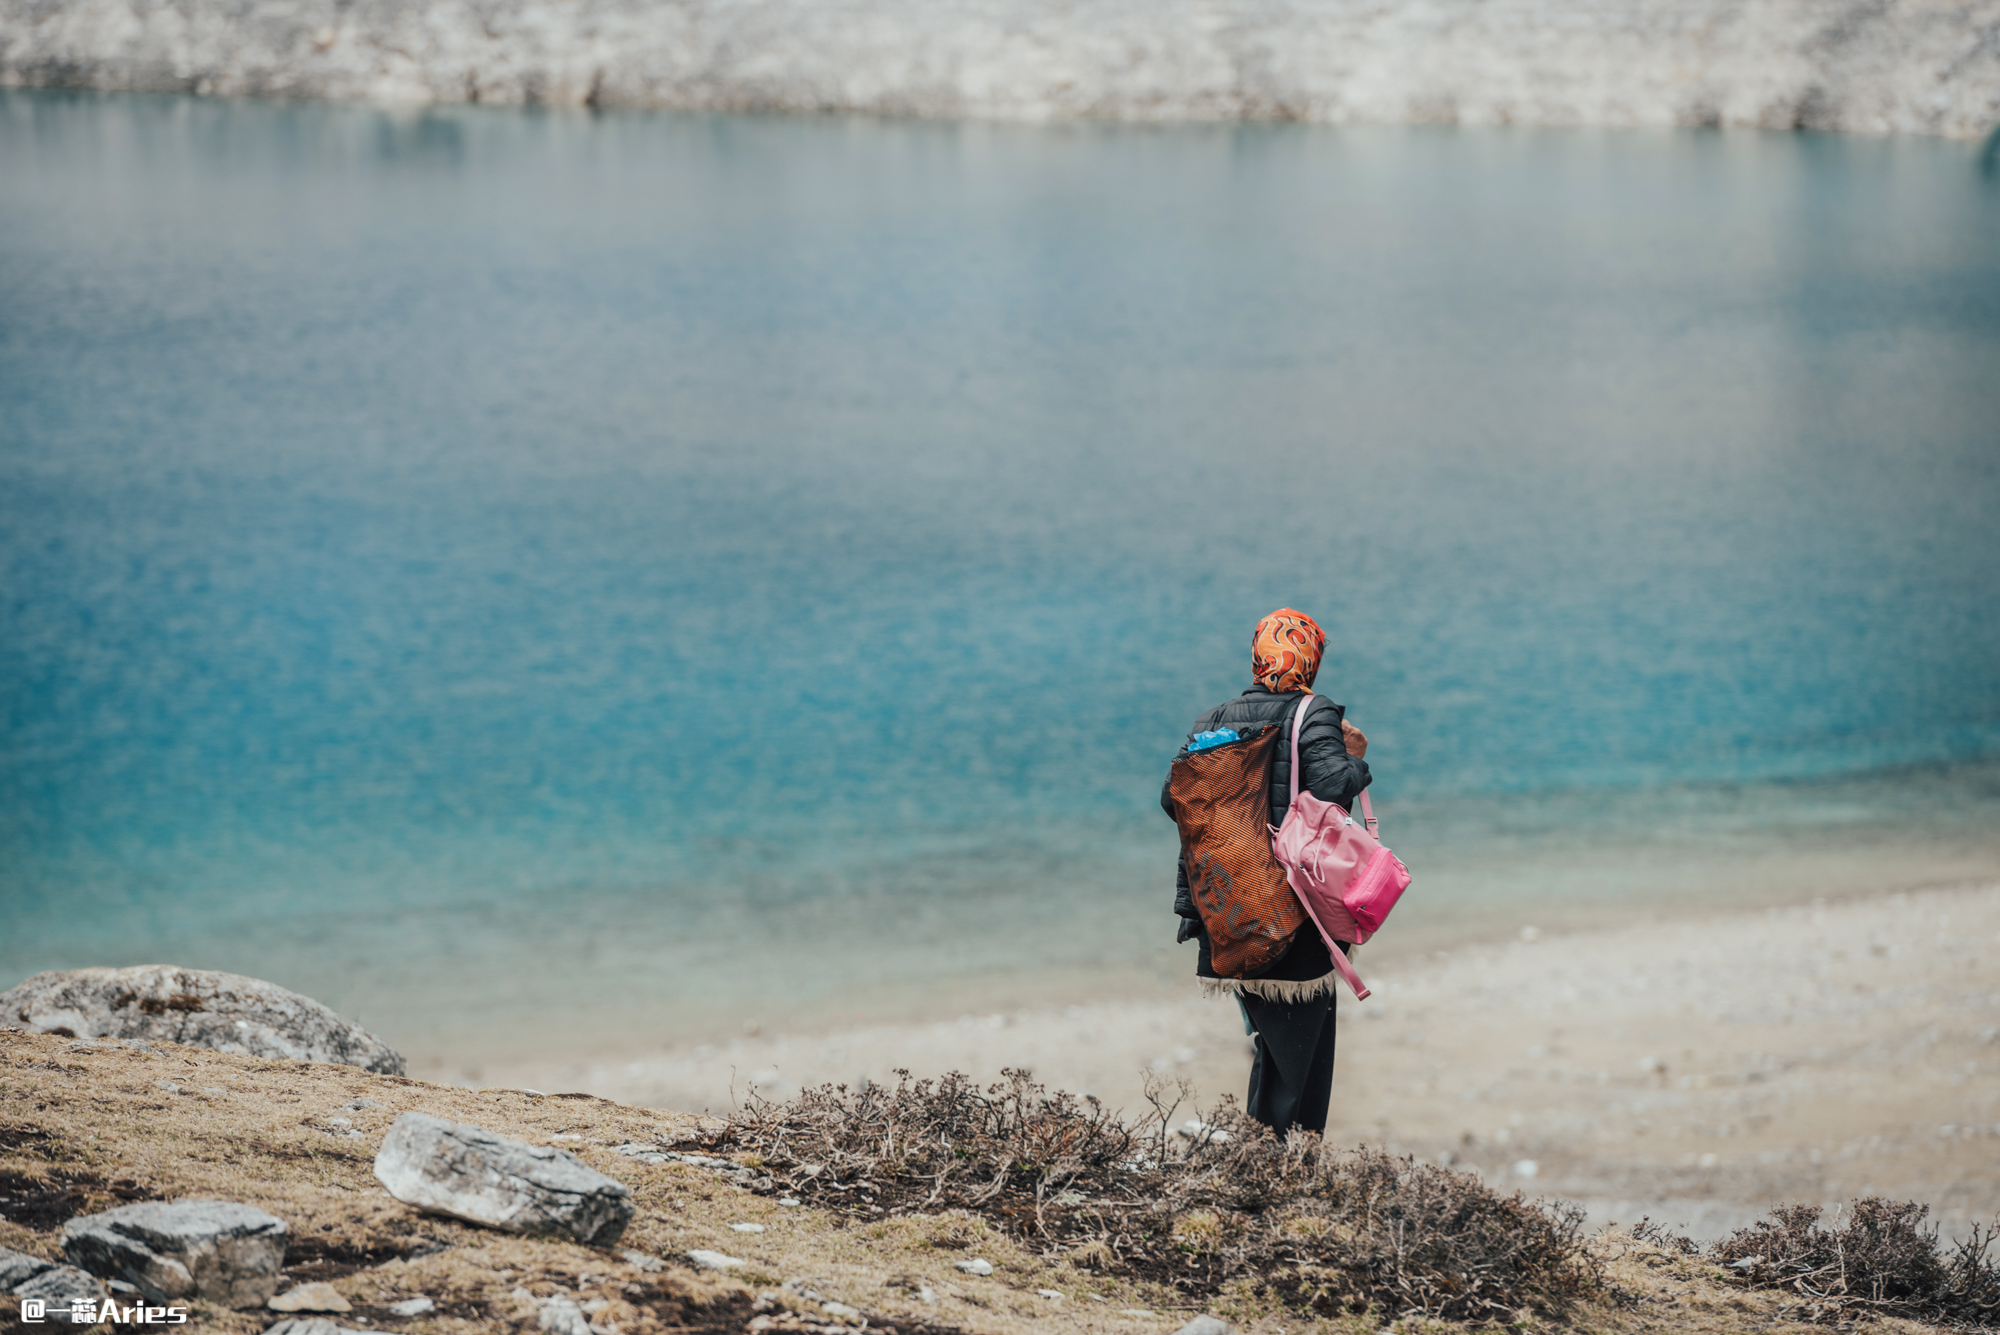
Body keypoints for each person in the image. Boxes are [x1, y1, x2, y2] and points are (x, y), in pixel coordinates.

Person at [1161, 607, 1371, 1137]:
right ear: (1311, 659)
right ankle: (1283, 1170)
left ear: (1259, 655)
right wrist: (1357, 758)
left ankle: (1264, 1164)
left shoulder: (1212, 719)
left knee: (1272, 1049)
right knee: (1302, 1064)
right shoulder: (1312, 710)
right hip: (1292, 908)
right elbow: (1329, 784)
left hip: (1231, 907)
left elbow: (1173, 798)